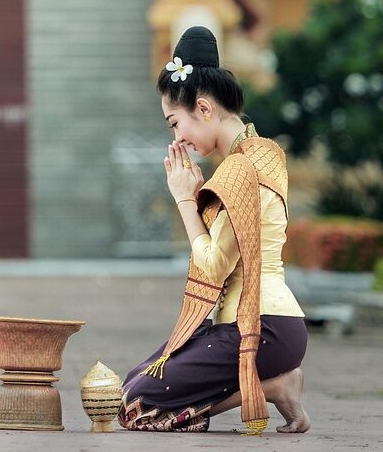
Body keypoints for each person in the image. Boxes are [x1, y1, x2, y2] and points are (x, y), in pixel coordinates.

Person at [118, 26, 309, 434]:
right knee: (135, 381)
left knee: (136, 404)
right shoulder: (263, 154)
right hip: (268, 323)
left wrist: (186, 199)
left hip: (261, 326)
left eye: (175, 123)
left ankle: (274, 385)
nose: (177, 138)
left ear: (204, 109)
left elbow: (215, 264)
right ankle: (272, 382)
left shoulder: (242, 169)